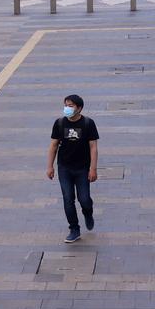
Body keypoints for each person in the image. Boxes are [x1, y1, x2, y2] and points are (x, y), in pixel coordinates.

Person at [46, 94, 99, 243]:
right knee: (68, 199)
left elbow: (93, 147)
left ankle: (88, 212)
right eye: (66, 105)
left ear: (79, 108)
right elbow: (53, 146)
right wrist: (49, 166)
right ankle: (74, 229)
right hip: (64, 168)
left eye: (71, 106)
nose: (67, 108)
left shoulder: (88, 123)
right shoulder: (59, 123)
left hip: (82, 169)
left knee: (84, 199)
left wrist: (93, 169)